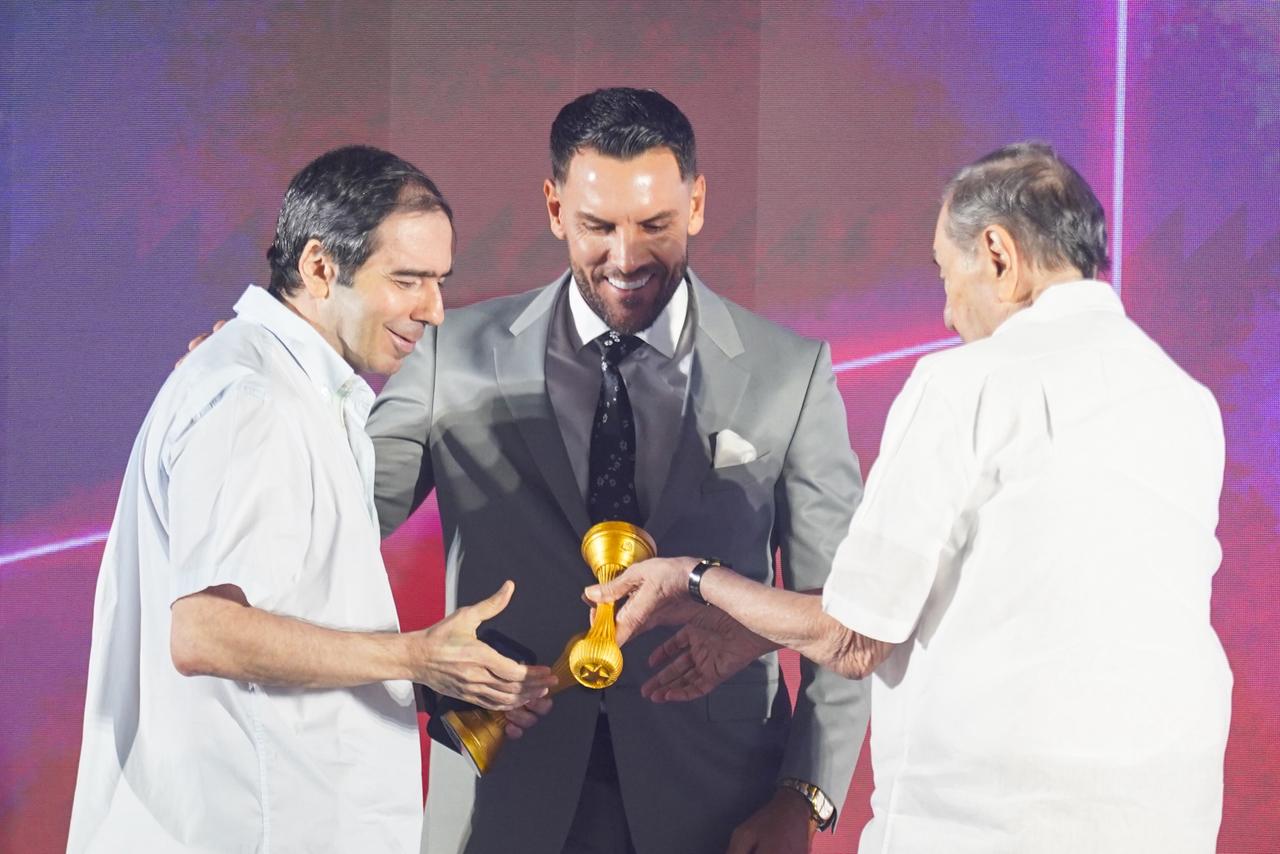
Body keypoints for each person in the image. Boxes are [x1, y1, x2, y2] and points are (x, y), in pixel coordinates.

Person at [588, 142, 1233, 854]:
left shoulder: (966, 383)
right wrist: (760, 629)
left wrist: (698, 579)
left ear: (996, 253)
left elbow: (858, 637)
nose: (949, 312)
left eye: (945, 274)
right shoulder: (1186, 400)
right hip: (1169, 813)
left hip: (989, 821)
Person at [368, 88, 870, 854]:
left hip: (719, 804)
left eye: (655, 225)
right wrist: (271, 390)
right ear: (553, 208)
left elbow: (848, 603)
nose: (627, 258)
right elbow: (332, 515)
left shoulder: (789, 374)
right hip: (499, 801)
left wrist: (805, 794)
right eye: (599, 226)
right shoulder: (449, 355)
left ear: (697, 203)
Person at [68, 146, 556, 854]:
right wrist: (416, 657)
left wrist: (436, 679)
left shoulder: (300, 392)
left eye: (440, 281)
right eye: (409, 280)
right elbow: (206, 631)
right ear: (321, 267)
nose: (436, 310)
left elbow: (291, 623)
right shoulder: (256, 399)